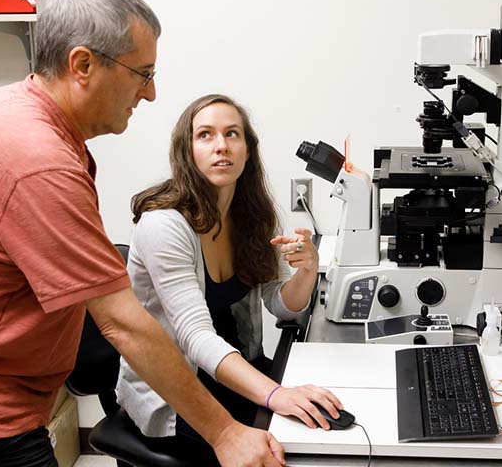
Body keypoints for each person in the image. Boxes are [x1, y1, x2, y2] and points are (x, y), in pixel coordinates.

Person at [0, 0, 284, 467]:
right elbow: (124, 325)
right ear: (83, 64)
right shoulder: (39, 160)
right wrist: (225, 435)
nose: (150, 94)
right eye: (142, 73)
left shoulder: (15, 116)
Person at [116, 94, 343, 458]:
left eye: (232, 134)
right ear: (186, 150)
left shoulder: (251, 216)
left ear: (248, 149)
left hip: (235, 371)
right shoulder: (164, 226)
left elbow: (281, 305)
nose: (221, 146)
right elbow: (196, 338)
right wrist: (275, 394)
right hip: (179, 393)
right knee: (284, 448)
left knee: (326, 417)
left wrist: (307, 271)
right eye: (205, 135)